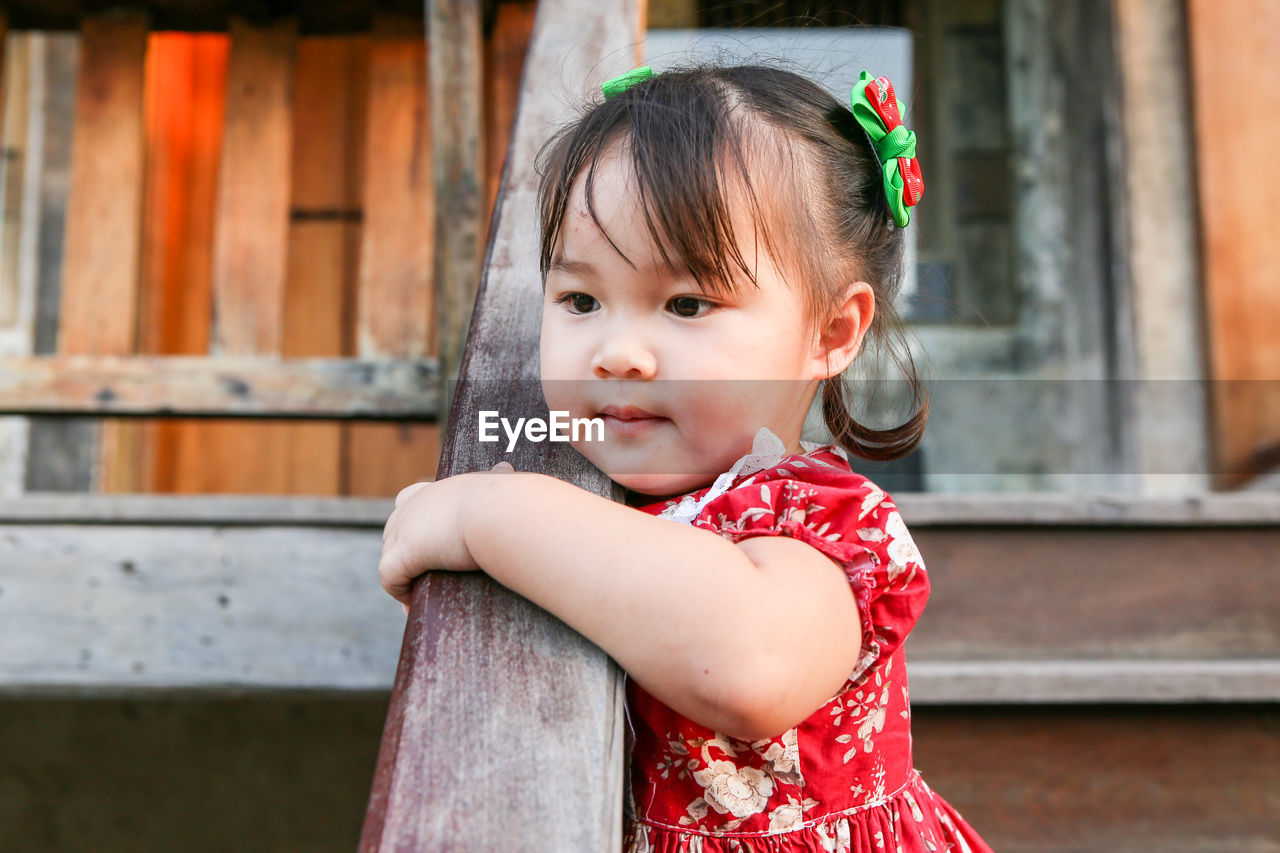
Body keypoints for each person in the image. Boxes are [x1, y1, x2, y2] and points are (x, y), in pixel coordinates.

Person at [379, 63, 993, 853]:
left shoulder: (826, 525)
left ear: (832, 333)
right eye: (580, 300)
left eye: (687, 304)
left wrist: (489, 514)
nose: (617, 352)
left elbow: (747, 663)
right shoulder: (613, 495)